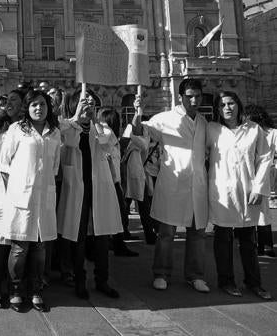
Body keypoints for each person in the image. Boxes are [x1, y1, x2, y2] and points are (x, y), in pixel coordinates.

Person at [132, 78, 209, 293]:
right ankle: (161, 273)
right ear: (181, 96)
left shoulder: (203, 122)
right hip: (173, 183)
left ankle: (195, 275)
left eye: (198, 96)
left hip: (198, 185)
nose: (194, 100)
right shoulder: (165, 118)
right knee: (166, 233)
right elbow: (140, 135)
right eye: (189, 96)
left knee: (197, 232)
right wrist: (138, 112)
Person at [0, 90, 61, 312]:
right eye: (34, 104)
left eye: (42, 104)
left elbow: (55, 167)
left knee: (40, 246)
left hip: (44, 197)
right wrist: (14, 191)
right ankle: (15, 290)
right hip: (21, 197)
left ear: (48, 107)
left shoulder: (54, 133)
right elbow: (3, 165)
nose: (38, 108)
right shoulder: (17, 130)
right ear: (28, 107)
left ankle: (36, 289)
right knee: (20, 246)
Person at [58, 90, 123, 300]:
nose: (88, 107)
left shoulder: (100, 128)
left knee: (102, 237)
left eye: (92, 104)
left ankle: (102, 280)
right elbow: (64, 137)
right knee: (78, 238)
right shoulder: (69, 126)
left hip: (99, 187)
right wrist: (77, 118)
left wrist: (93, 119)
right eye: (84, 103)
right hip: (77, 187)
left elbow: (107, 142)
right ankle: (79, 280)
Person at [207, 92, 272, 300]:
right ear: (217, 109)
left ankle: (254, 282)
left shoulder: (253, 130)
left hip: (247, 191)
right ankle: (226, 280)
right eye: (222, 104)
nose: (227, 108)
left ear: (238, 105)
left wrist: (259, 188)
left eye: (231, 103)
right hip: (222, 193)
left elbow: (264, 158)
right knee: (223, 239)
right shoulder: (212, 130)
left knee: (248, 240)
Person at [0, 89, 24, 308]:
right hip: (0, 189)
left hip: (22, 189)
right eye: (7, 100)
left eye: (14, 100)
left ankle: (15, 285)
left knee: (18, 240)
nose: (8, 103)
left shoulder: (27, 128)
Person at [98, 107, 138, 258]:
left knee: (118, 213)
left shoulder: (111, 135)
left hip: (113, 180)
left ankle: (116, 243)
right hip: (111, 181)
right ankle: (118, 245)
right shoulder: (106, 133)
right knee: (119, 213)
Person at [244, 104, 277, 257]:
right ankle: (256, 243)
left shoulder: (272, 133)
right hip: (249, 174)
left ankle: (265, 245)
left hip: (265, 173)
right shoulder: (248, 132)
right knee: (250, 209)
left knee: (262, 209)